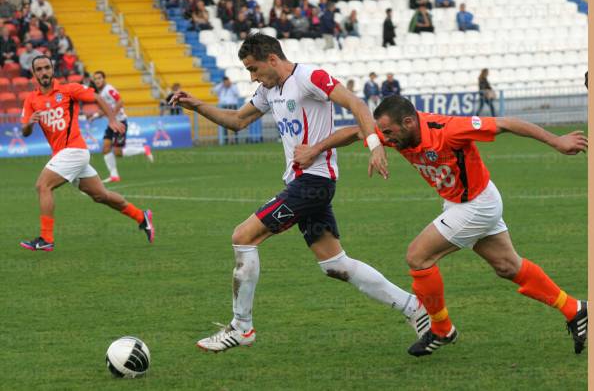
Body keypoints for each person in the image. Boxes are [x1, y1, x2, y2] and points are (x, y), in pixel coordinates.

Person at [169, 33, 421, 353]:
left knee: (243, 236)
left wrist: (375, 146)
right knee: (335, 264)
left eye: (254, 68)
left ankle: (241, 327)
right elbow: (236, 121)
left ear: (272, 59)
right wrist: (197, 105)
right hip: (302, 184)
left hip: (313, 183)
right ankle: (414, 307)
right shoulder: (268, 89)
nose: (252, 76)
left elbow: (356, 103)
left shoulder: (309, 77)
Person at [293, 94, 589, 357]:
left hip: (475, 205)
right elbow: (356, 132)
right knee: (508, 267)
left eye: (389, 133)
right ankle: (575, 309)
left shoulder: (447, 130)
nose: (386, 138)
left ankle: (441, 328)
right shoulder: (393, 132)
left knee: (418, 257)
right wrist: (316, 149)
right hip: (464, 202)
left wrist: (557, 141)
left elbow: (506, 123)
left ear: (409, 122)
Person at [19, 56, 155, 251]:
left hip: (74, 150)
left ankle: (46, 238)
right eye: (39, 69)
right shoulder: (31, 99)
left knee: (43, 186)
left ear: (52, 69)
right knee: (101, 195)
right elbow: (25, 131)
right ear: (34, 74)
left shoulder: (68, 90)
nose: (44, 72)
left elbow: (97, 97)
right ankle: (142, 217)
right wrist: (30, 122)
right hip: (63, 155)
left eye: (47, 67)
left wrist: (111, 120)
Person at [90, 70, 154, 183]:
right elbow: (105, 110)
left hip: (120, 123)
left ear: (104, 79)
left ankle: (144, 149)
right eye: (95, 79)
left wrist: (112, 116)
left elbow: (120, 102)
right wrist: (94, 116)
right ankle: (114, 176)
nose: (97, 81)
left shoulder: (109, 89)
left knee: (118, 152)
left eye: (99, 78)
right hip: (112, 124)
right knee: (105, 148)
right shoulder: (100, 94)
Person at [212, 76, 240, 144]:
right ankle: (225, 140)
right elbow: (214, 91)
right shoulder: (221, 87)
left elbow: (237, 93)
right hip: (223, 107)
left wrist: (230, 85)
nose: (226, 83)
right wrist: (222, 84)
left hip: (232, 107)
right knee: (224, 124)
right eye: (224, 82)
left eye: (227, 81)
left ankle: (236, 140)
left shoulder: (234, 87)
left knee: (234, 123)